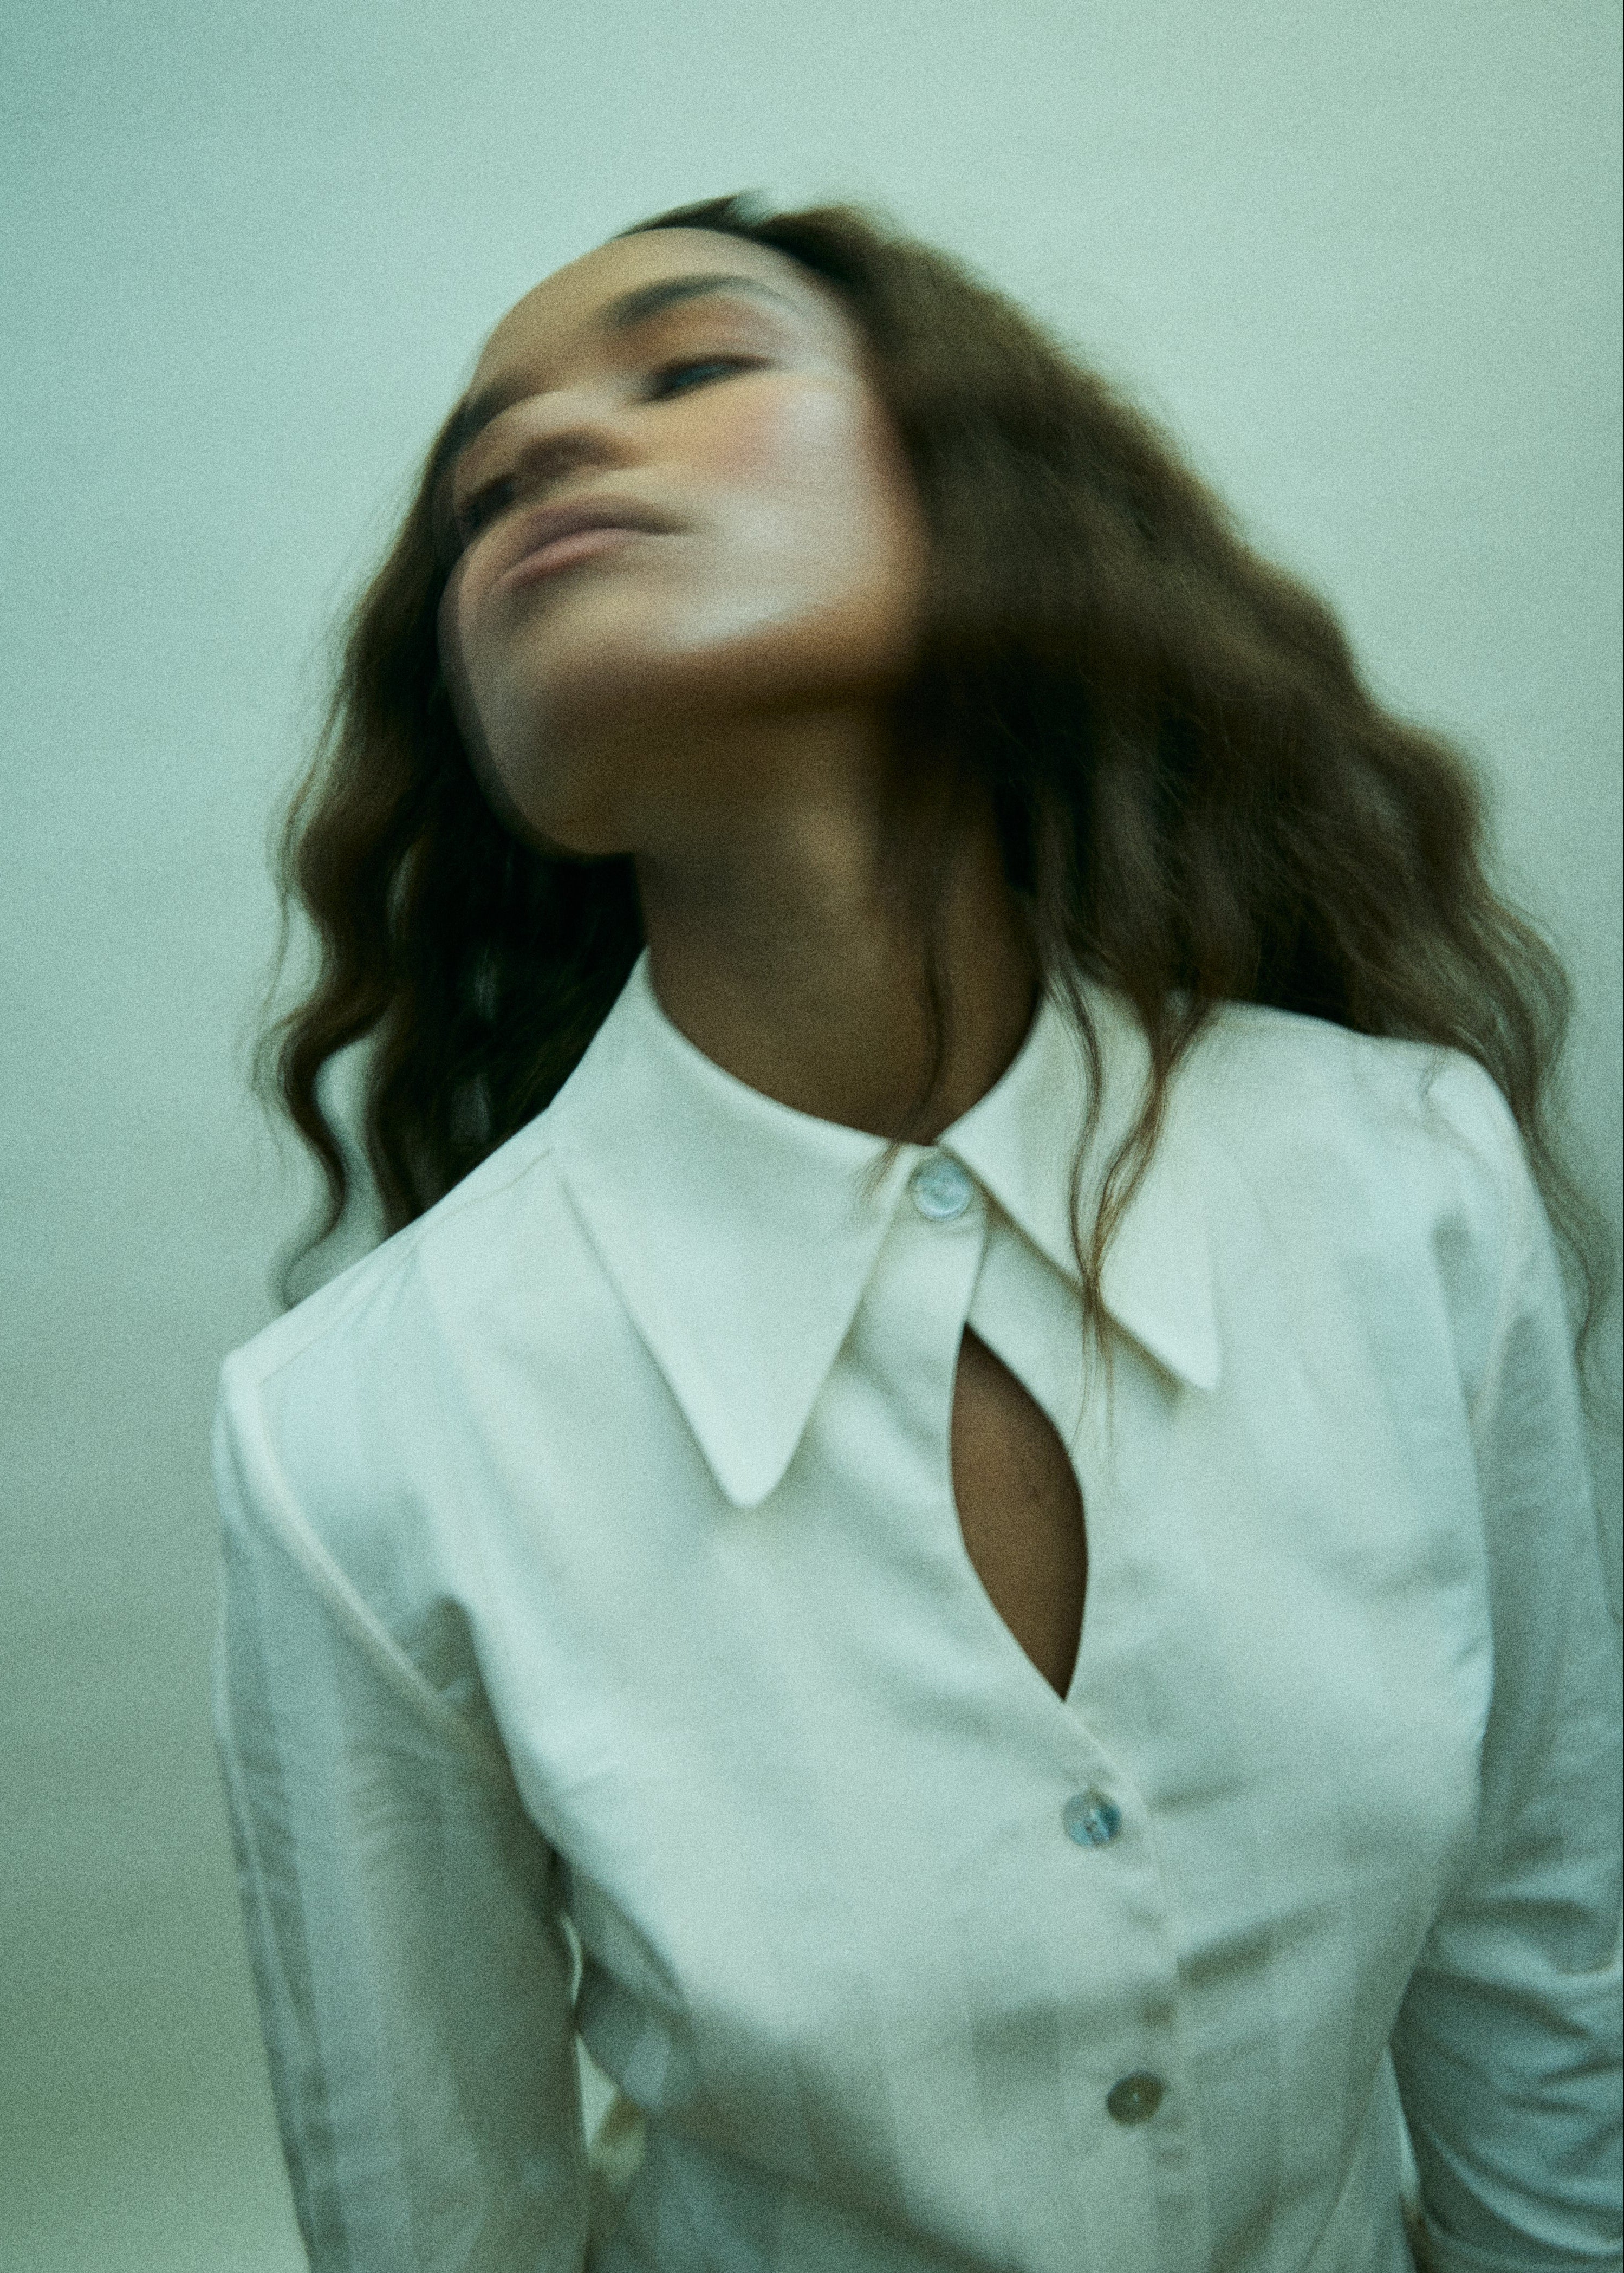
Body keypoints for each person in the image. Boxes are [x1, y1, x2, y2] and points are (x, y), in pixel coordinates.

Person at [211, 192, 1622, 2273]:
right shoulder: (350, 1438)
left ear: (982, 497)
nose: (540, 460)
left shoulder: (1410, 1179)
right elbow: (441, 2225)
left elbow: (1537, 1992)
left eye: (689, 367)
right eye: (475, 487)